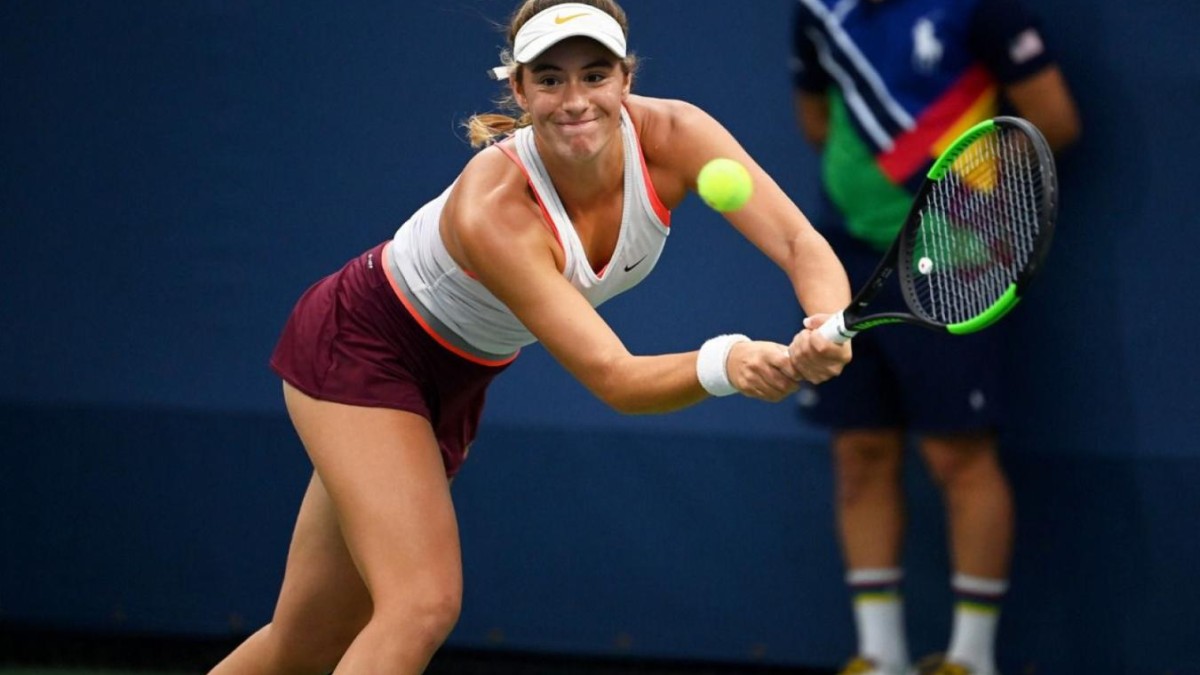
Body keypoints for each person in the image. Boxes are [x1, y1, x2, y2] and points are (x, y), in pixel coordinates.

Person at [208, 1, 853, 673]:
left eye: (595, 75)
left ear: (626, 79)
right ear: (518, 90)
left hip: (458, 373)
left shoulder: (679, 136)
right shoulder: (495, 207)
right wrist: (730, 361)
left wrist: (826, 325)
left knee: (306, 639)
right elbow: (616, 379)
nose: (575, 101)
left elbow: (799, 244)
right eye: (550, 79)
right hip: (364, 343)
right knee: (419, 604)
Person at [788, 0, 1080, 673]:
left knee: (958, 456)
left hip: (954, 258)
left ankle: (971, 659)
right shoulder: (816, 10)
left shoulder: (980, 5)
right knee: (858, 449)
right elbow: (816, 120)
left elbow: (1054, 119)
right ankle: (880, 655)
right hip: (843, 254)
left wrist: (961, 193)